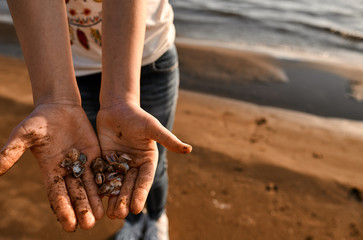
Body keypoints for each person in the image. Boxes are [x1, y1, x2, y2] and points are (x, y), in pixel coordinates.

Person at [0, 1, 191, 239]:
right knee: (110, 159)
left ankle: (156, 217)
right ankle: (132, 221)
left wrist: (123, 98)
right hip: (73, 71)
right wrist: (54, 98)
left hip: (148, 54)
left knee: (148, 160)